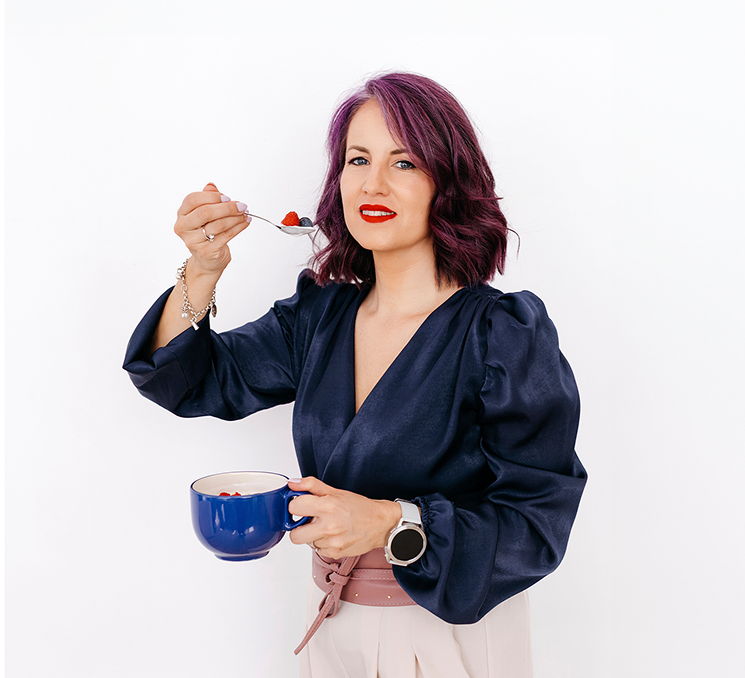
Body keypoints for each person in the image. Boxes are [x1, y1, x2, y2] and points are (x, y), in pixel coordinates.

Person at [123, 71, 587, 678]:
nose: (372, 183)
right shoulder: (320, 314)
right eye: (358, 159)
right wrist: (203, 268)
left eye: (404, 163)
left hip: (451, 636)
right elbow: (188, 379)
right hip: (332, 625)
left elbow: (538, 522)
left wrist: (392, 522)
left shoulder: (503, 333)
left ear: (449, 182)